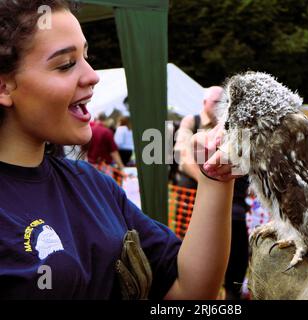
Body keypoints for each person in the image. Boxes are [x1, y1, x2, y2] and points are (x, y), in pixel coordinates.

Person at [0, 0, 236, 299]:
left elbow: (190, 293)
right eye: (66, 64)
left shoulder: (94, 185)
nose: (92, 75)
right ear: (5, 87)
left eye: (87, 56)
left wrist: (214, 181)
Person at [174, 86, 250, 300]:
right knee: (190, 260)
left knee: (236, 260)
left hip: (233, 205)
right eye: (215, 103)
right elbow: (182, 154)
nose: (219, 107)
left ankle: (231, 294)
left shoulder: (231, 124)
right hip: (192, 203)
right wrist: (209, 180)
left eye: (222, 103)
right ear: (204, 102)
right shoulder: (191, 122)